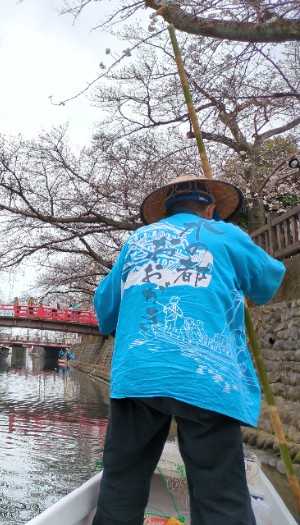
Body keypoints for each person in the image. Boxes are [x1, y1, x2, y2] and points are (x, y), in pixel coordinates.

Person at [93, 175, 286, 525]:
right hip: (207, 377)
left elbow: (105, 313)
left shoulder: (136, 240)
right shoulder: (224, 233)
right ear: (210, 209)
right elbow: (267, 283)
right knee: (219, 490)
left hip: (139, 373)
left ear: (165, 212)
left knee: (122, 482)